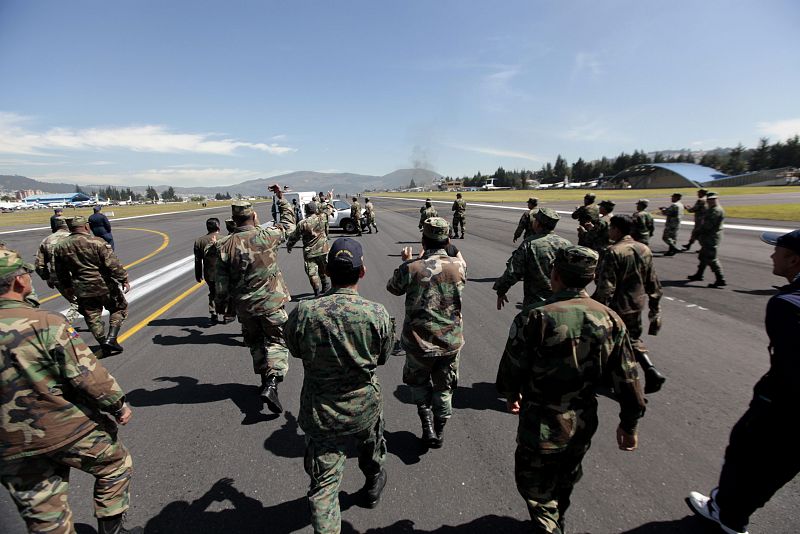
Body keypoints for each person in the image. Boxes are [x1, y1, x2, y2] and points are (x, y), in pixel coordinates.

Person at [496, 245, 646, 534]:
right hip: (582, 420)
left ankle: (549, 525)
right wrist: (630, 424)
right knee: (566, 476)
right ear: (590, 278)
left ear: (555, 275)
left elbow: (512, 368)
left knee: (534, 486)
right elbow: (628, 379)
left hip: (541, 421)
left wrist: (511, 394)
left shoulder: (535, 317)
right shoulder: (610, 319)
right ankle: (558, 516)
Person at [0, 248, 141, 534]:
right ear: (19, 282)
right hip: (63, 429)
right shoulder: (46, 323)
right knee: (115, 463)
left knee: (44, 514)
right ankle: (111, 529)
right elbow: (87, 376)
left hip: (9, 443)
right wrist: (118, 405)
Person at [687, 229, 800, 534]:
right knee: (780, 467)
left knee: (748, 455)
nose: (771, 255)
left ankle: (727, 515)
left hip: (784, 406)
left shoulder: (787, 304)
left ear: (793, 259)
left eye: (778, 250)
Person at [285, 238, 394, 533]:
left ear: (327, 271)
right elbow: (383, 357)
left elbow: (294, 349)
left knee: (323, 488)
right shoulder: (377, 314)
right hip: (363, 408)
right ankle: (372, 484)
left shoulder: (305, 312)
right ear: (362, 272)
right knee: (371, 452)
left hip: (321, 412)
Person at [387, 217, 466, 448]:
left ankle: (427, 424)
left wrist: (408, 262)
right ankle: (439, 431)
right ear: (448, 239)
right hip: (449, 341)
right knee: (444, 388)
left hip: (418, 342)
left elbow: (392, 288)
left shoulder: (411, 268)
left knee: (419, 384)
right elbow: (458, 258)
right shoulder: (459, 266)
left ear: (423, 239)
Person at [215, 189, 295, 414]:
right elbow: (290, 223)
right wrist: (281, 198)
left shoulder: (224, 245)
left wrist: (224, 309)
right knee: (277, 342)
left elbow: (220, 285)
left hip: (245, 308)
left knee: (256, 343)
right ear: (253, 216)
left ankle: (264, 381)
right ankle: (272, 383)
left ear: (234, 219)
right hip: (271, 303)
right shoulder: (267, 235)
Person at [592, 215, 666, 393]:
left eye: (611, 228)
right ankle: (650, 369)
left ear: (617, 229)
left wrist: (595, 308)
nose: (609, 231)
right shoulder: (644, 249)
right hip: (636, 302)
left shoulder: (614, 251)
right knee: (632, 338)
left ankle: (625, 381)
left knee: (609, 341)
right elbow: (653, 282)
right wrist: (655, 310)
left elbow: (606, 287)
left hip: (618, 305)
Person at [55, 216, 130, 356]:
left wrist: (67, 287)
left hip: (82, 288)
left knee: (92, 317)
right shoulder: (97, 242)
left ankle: (103, 343)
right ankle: (112, 338)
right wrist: (123, 278)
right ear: (86, 227)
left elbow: (61, 272)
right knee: (119, 308)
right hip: (103, 285)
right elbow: (112, 264)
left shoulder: (60, 246)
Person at [494, 208, 571, 310]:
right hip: (561, 303)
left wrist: (501, 290)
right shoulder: (566, 244)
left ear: (538, 224)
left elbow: (513, 272)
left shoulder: (530, 244)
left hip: (536, 303)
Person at [34, 216, 80, 322]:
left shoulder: (46, 240)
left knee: (77, 301)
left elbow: (39, 264)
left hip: (57, 278)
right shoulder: (73, 238)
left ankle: (94, 325)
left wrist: (47, 277)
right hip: (76, 276)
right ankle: (65, 325)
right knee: (79, 303)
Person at [286, 202, 331, 297]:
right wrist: (329, 199)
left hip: (310, 252)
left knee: (312, 273)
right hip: (323, 250)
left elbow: (294, 237)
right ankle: (325, 285)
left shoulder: (302, 223)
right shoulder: (322, 217)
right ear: (315, 210)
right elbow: (329, 209)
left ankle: (316, 292)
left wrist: (289, 245)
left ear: (306, 211)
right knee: (323, 268)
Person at [688, 192, 726, 288]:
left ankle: (720, 278)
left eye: (713, 199)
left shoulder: (715, 211)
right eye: (709, 199)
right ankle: (699, 274)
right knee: (703, 256)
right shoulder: (712, 209)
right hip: (708, 237)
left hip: (711, 237)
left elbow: (707, 226)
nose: (710, 201)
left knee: (711, 258)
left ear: (716, 199)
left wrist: (697, 232)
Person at [194, 217, 221, 322]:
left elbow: (197, 260)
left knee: (213, 292)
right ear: (218, 226)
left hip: (209, 273)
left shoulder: (199, 241)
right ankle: (227, 313)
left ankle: (213, 312)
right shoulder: (225, 238)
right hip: (224, 273)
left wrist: (198, 274)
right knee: (226, 292)